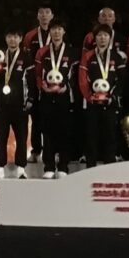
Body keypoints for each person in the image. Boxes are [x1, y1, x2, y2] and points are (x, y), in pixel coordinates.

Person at [0, 29, 34, 179]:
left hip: (20, 104)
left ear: (20, 39)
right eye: (9, 37)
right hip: (1, 104)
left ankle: (21, 168)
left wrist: (30, 99)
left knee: (21, 137)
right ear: (6, 38)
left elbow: (31, 80)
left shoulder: (26, 57)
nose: (12, 40)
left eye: (15, 37)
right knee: (0, 137)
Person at [79, 25, 127, 167]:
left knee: (110, 135)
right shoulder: (88, 56)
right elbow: (82, 79)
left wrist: (113, 96)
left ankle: (109, 167)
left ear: (110, 38)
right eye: (99, 35)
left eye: (105, 35)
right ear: (95, 38)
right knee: (91, 135)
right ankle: (90, 166)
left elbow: (122, 79)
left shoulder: (117, 57)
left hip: (110, 103)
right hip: (92, 103)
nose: (102, 38)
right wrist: (89, 97)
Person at [34, 19, 77, 178]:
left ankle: (63, 166)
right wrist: (42, 86)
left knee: (64, 131)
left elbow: (75, 75)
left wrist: (67, 87)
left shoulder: (72, 52)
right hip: (46, 97)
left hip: (64, 97)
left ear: (64, 32)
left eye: (59, 29)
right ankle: (49, 167)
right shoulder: (42, 52)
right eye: (54, 29)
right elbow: (37, 74)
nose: (56, 32)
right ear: (50, 32)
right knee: (47, 132)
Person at [22, 4, 54, 165]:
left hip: (53, 80)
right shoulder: (30, 36)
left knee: (52, 117)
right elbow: (26, 58)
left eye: (47, 12)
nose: (44, 15)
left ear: (52, 16)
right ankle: (36, 150)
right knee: (35, 117)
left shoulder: (57, 33)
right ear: (37, 16)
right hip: (35, 80)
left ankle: (53, 150)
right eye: (41, 13)